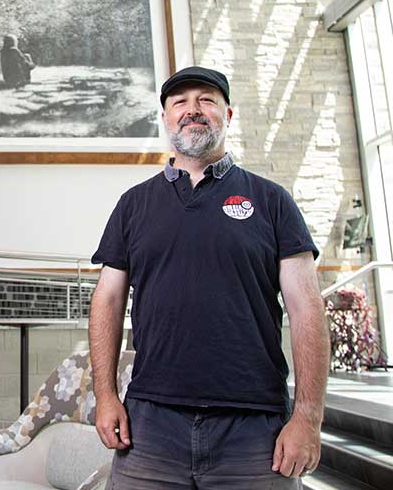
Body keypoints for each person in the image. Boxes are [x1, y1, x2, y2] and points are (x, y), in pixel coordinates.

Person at [89, 66, 330, 489]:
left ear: (228, 114)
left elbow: (307, 308)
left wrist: (308, 417)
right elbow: (107, 300)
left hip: (255, 430)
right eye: (179, 102)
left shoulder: (272, 202)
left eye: (206, 100)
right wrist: (106, 395)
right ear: (165, 118)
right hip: (150, 426)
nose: (192, 110)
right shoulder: (133, 205)